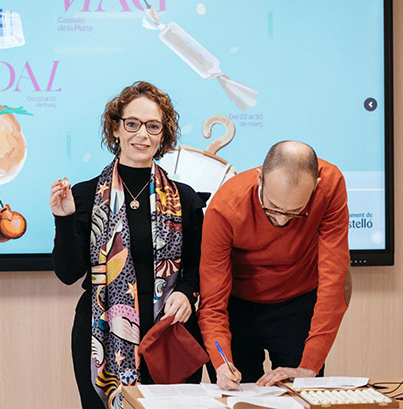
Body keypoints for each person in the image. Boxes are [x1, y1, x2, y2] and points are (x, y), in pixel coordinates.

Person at [50, 81, 208, 408]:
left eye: (153, 126)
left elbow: (201, 266)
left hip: (169, 334)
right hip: (101, 335)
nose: (142, 135)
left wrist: (186, 291)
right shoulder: (85, 195)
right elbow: (68, 273)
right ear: (116, 128)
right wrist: (63, 219)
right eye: (132, 124)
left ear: (163, 134)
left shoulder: (184, 198)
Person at [198, 140, 351, 390]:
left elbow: (334, 279)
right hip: (238, 306)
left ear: (315, 186)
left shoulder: (330, 185)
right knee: (240, 395)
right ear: (260, 178)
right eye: (273, 209)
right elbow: (212, 302)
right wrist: (221, 362)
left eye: (295, 211)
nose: (281, 221)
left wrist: (310, 365)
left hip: (298, 302)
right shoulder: (225, 207)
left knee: (301, 393)